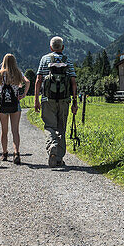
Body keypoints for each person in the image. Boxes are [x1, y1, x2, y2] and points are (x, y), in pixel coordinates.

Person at [34, 36, 78, 167]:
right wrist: (75, 102)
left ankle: (52, 145)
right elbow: (73, 83)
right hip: (64, 100)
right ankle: (59, 158)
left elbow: (38, 80)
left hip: (48, 99)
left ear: (51, 47)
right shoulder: (68, 60)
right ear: (62, 47)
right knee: (61, 128)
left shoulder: (45, 59)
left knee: (49, 126)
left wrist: (36, 99)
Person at [0, 53, 29, 164]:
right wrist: (23, 94)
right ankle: (16, 152)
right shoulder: (18, 73)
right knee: (15, 130)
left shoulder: (0, 73)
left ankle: (5, 153)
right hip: (15, 104)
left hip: (3, 105)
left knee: (4, 131)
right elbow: (27, 82)